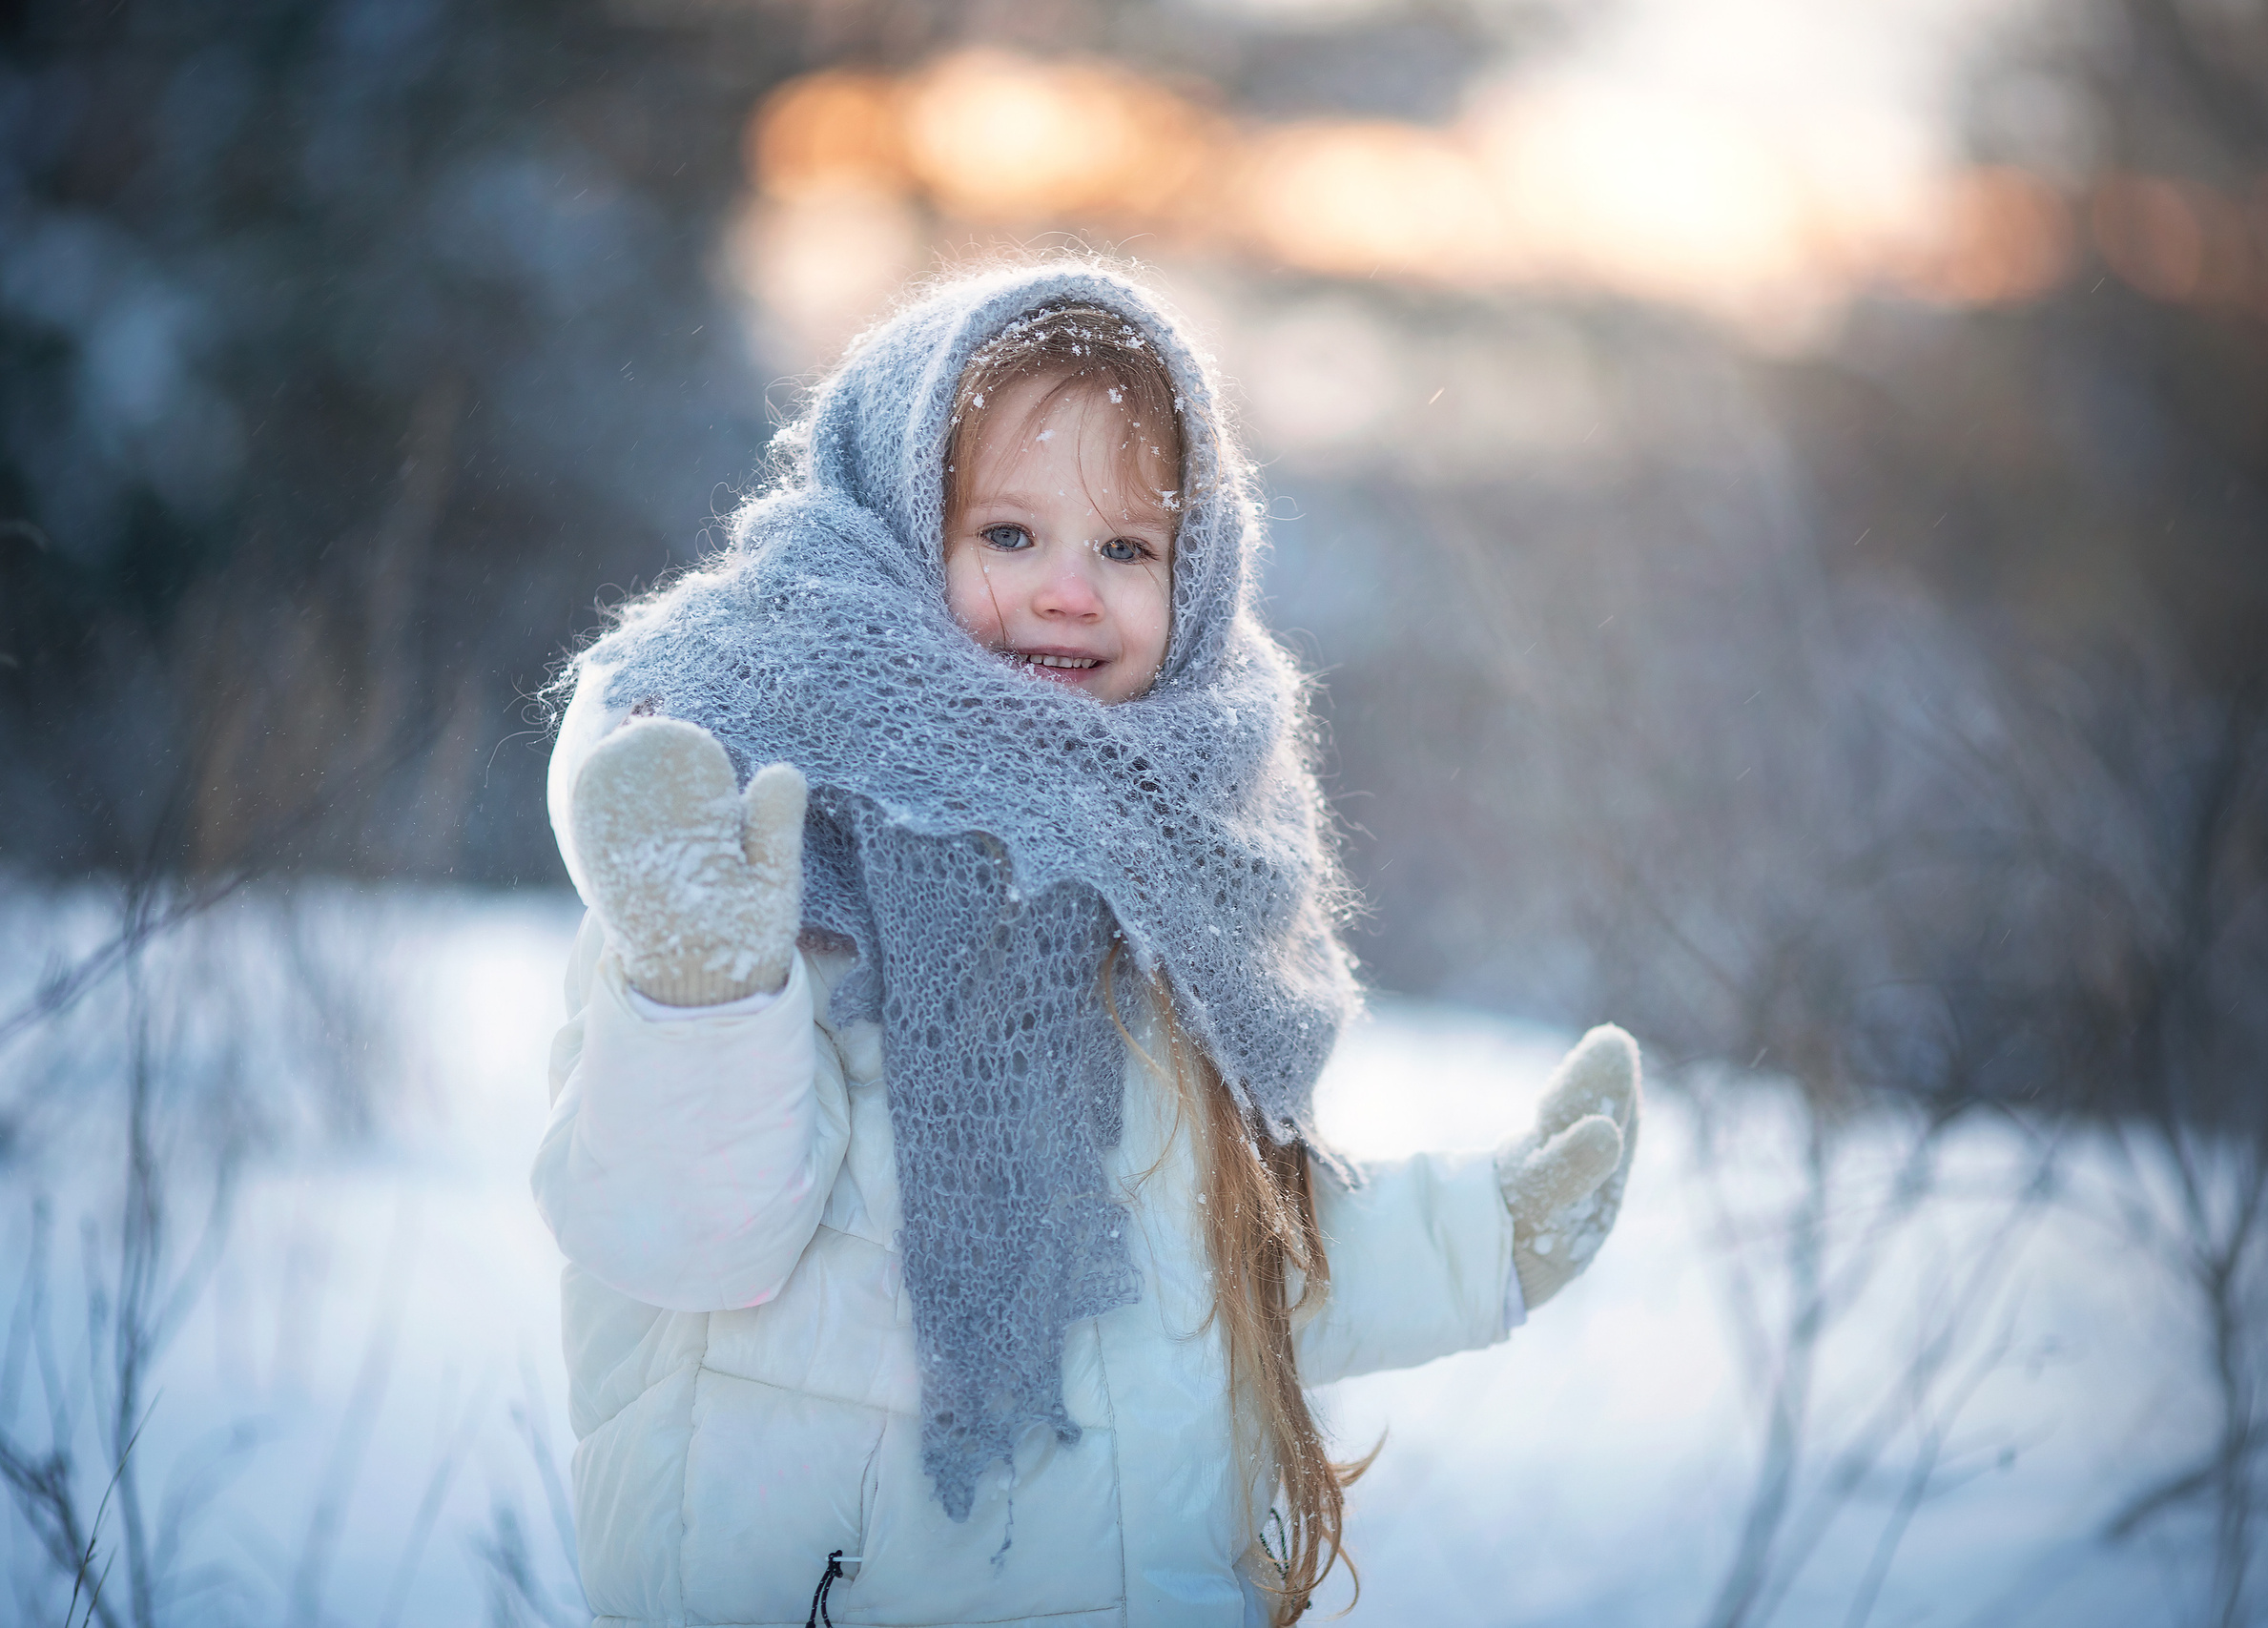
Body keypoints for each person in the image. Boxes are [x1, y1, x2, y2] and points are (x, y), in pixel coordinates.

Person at [531, 259, 1641, 1628]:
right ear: (891, 524)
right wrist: (703, 996)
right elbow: (686, 1239)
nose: (1071, 592)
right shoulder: (755, 837)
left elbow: (1227, 1281)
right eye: (1008, 534)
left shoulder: (1184, 863)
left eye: (1126, 549)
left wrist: (1490, 1235)